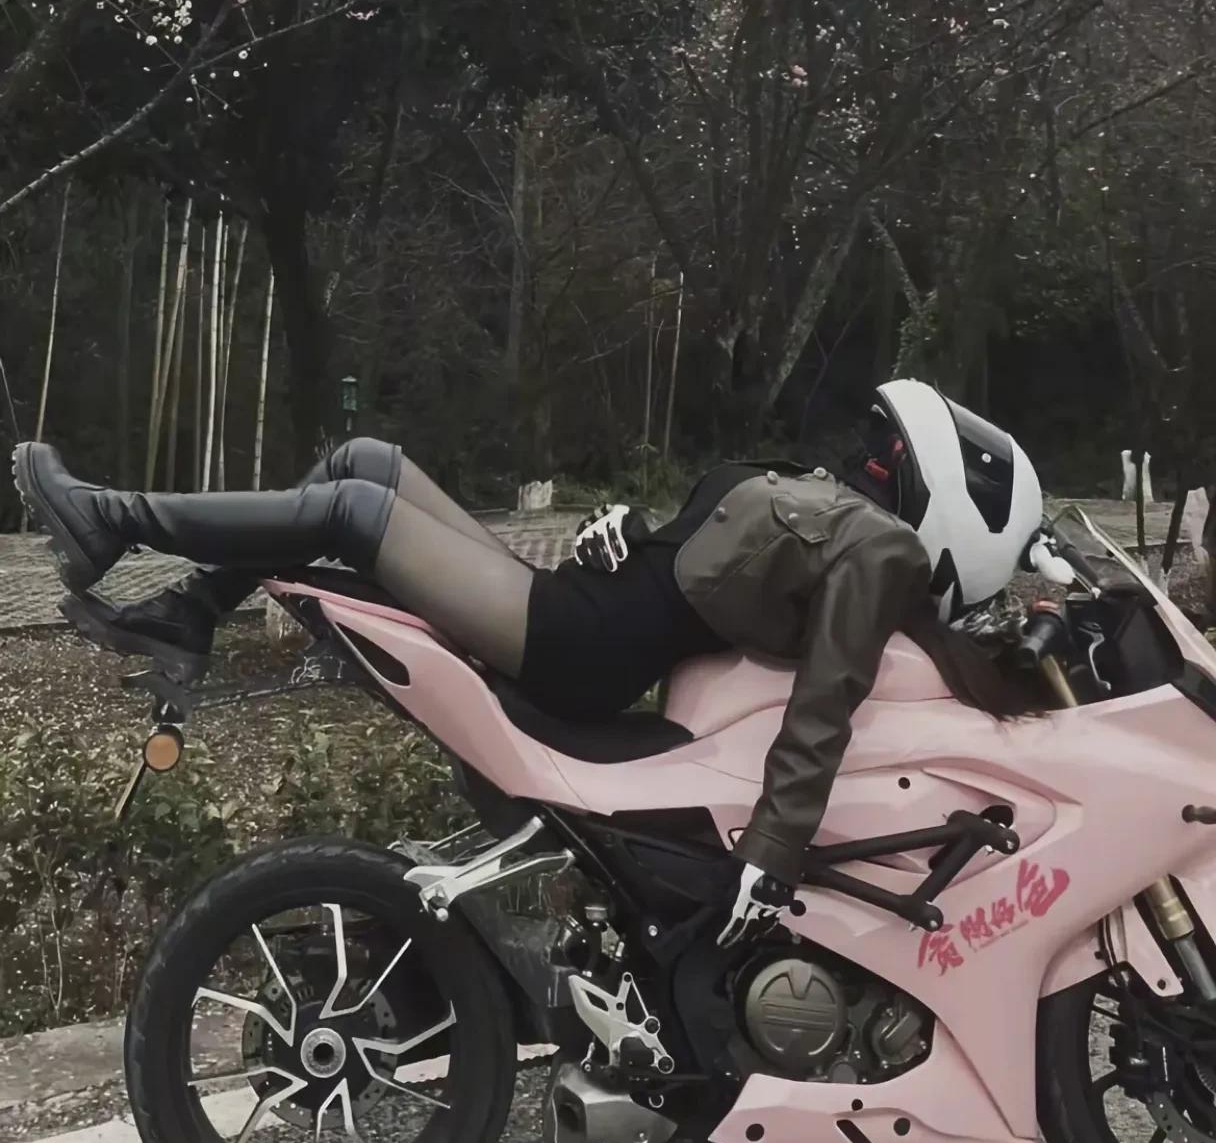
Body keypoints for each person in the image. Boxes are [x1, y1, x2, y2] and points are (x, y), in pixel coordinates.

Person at [11, 379, 1043, 948]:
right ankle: (190, 612)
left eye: (885, 455)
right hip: (576, 601)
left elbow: (826, 702)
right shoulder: (837, 514)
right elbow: (706, 558)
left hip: (576, 644)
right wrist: (627, 523)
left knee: (354, 512)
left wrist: (772, 857)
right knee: (364, 462)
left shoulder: (880, 551)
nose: (866, 456)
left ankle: (113, 520)